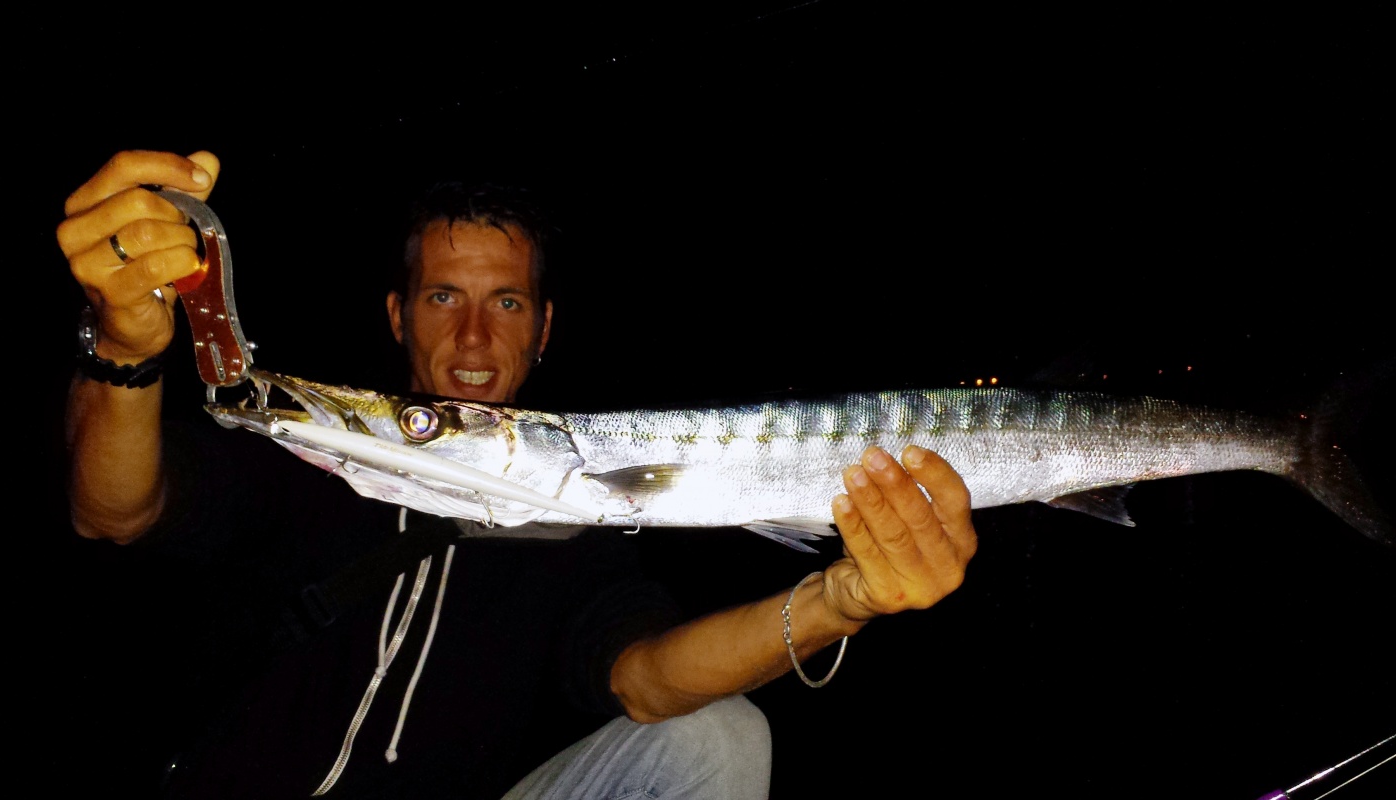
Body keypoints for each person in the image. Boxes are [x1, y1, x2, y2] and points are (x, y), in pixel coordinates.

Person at [58, 150, 978, 799]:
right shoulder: (312, 460)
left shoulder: (577, 529)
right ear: (397, 315)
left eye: (505, 302)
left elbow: (647, 681)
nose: (471, 338)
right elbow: (115, 508)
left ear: (542, 329)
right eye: (443, 297)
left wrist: (843, 600)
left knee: (720, 738)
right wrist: (126, 349)